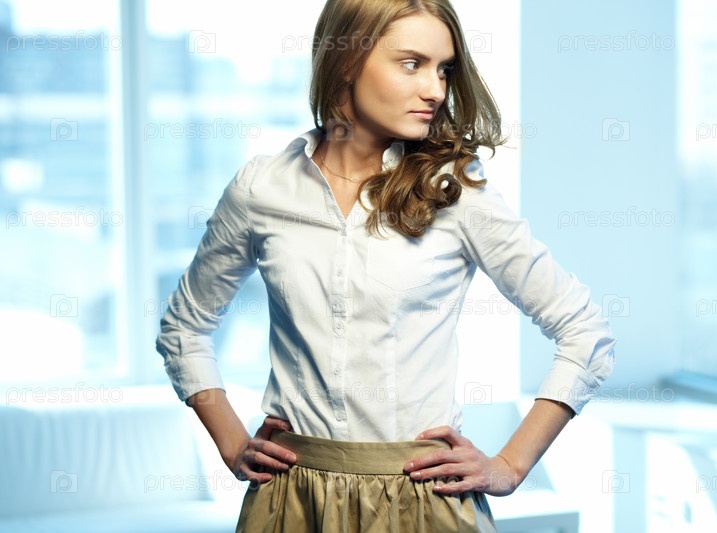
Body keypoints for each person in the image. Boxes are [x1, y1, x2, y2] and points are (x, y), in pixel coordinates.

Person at [156, 0, 616, 531]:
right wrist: (232, 443)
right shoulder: (263, 188)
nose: (436, 90)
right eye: (412, 64)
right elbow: (183, 328)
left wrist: (509, 466)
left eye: (444, 70)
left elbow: (585, 332)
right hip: (289, 502)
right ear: (346, 61)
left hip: (423, 500)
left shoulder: (454, 190)